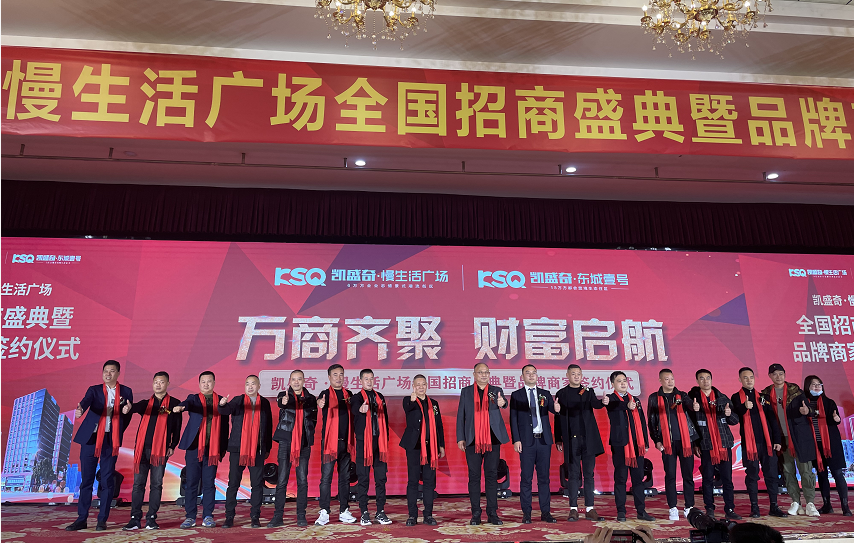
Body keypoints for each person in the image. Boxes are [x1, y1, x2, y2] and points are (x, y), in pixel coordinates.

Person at [65, 360, 134, 532]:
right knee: (86, 481)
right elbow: (85, 403)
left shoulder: (126, 391)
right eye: (105, 371)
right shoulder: (94, 390)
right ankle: (81, 519)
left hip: (110, 440)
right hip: (91, 438)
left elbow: (127, 415)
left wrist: (126, 412)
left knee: (107, 480)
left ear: (118, 373)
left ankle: (102, 519)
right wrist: (80, 410)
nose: (108, 374)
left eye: (112, 371)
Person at [123, 371, 182, 531]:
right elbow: (135, 407)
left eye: (161, 382)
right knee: (138, 485)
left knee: (156, 484)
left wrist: (172, 446)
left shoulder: (174, 404)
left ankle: (151, 518)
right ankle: (135, 518)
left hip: (160, 451)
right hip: (141, 450)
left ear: (167, 384)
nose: (158, 384)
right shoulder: (146, 404)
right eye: (156, 382)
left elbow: (177, 428)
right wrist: (129, 407)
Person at [172, 371, 231, 529]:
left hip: (212, 449)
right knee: (191, 483)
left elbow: (225, 425)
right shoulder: (194, 398)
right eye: (203, 381)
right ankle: (190, 517)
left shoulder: (221, 401)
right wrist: (181, 407)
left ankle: (208, 516)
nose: (206, 384)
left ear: (214, 383)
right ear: (199, 384)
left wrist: (223, 448)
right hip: (194, 448)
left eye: (209, 381)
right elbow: (187, 403)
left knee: (209, 483)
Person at [761, 363, 819, 517]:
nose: (778, 377)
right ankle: (795, 502)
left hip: (799, 437)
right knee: (787, 471)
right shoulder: (766, 395)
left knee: (806, 471)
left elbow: (810, 410)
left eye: (781, 373)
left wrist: (806, 410)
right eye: (775, 374)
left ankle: (810, 502)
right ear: (770, 376)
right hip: (781, 439)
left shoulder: (796, 391)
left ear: (785, 374)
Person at [456, 362, 509, 525]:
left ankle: (492, 513)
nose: (484, 375)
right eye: (480, 372)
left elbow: (503, 403)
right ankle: (476, 513)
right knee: (474, 476)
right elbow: (461, 415)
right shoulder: (466, 392)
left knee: (491, 475)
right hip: (472, 439)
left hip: (492, 439)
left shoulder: (496, 390)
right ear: (474, 374)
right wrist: (460, 437)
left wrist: (503, 403)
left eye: (486, 372)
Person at [731, 367, 787, 518]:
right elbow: (734, 418)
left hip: (767, 443)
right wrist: (744, 407)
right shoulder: (736, 397)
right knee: (752, 475)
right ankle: (754, 507)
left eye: (751, 377)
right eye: (745, 378)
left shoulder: (763, 397)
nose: (749, 380)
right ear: (740, 380)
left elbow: (773, 420)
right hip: (750, 445)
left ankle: (774, 506)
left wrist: (777, 440)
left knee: (772, 475)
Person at [554, 364, 607, 521]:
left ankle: (590, 508)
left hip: (588, 439)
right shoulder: (562, 394)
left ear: (582, 375)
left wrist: (603, 402)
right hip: (571, 440)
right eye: (573, 374)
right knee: (573, 474)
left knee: (589, 474)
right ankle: (573, 509)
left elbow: (596, 404)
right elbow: (558, 417)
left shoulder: (588, 391)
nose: (576, 376)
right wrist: (558, 438)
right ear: (567, 375)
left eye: (578, 374)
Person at [687, 368, 741, 520]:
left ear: (711, 380)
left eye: (708, 378)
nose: (705, 381)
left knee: (727, 479)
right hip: (706, 444)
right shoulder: (693, 400)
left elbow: (735, 420)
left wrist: (729, 415)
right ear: (697, 381)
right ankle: (709, 508)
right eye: (702, 378)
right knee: (707, 479)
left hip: (724, 444)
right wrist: (695, 443)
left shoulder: (722, 398)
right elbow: (690, 424)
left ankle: (729, 508)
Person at [647, 368, 699, 521]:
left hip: (686, 442)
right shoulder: (654, 398)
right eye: (666, 379)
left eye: (672, 378)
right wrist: (657, 440)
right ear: (660, 381)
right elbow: (651, 421)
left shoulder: (682, 395)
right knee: (670, 475)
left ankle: (689, 507)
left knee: (688, 476)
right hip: (667, 443)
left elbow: (691, 406)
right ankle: (673, 508)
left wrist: (694, 406)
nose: (670, 381)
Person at [510, 364, 558, 524]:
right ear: (522, 376)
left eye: (534, 373)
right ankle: (527, 513)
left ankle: (546, 512)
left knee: (544, 479)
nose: (531, 375)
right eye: (528, 373)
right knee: (526, 478)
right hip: (526, 442)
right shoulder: (516, 395)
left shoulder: (545, 394)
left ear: (537, 375)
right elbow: (513, 419)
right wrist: (516, 439)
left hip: (544, 441)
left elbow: (553, 410)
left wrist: (557, 408)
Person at [222, 375, 273, 528]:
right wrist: (222, 404)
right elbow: (225, 411)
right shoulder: (238, 400)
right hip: (238, 449)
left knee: (257, 485)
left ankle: (255, 516)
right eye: (247, 384)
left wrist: (267, 448)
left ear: (259, 386)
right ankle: (229, 516)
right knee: (233, 484)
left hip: (257, 449)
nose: (250, 387)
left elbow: (268, 426)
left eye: (253, 384)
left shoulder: (264, 403)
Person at [270, 369, 318, 527]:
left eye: (299, 379)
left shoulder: (310, 399)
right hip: (286, 442)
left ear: (304, 381)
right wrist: (283, 401)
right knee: (282, 480)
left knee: (302, 480)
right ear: (290, 381)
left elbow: (314, 419)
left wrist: (307, 434)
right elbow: (281, 403)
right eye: (294, 379)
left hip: (303, 443)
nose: (296, 382)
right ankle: (278, 516)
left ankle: (301, 515)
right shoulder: (284, 396)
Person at [605, 370, 653, 522]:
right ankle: (621, 511)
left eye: (624, 380)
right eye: (619, 381)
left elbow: (643, 422)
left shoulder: (635, 400)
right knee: (620, 479)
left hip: (637, 446)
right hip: (620, 445)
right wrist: (626, 405)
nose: (623, 383)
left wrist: (645, 442)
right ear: (612, 384)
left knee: (638, 479)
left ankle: (641, 511)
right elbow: (614, 406)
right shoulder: (610, 399)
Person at [400, 374, 445, 526]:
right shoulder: (408, 400)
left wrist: (441, 445)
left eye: (423, 384)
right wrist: (413, 400)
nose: (421, 387)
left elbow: (439, 425)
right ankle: (412, 515)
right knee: (413, 480)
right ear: (413, 386)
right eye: (418, 384)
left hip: (431, 446)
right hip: (414, 446)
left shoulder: (434, 404)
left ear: (427, 386)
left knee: (429, 482)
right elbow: (407, 409)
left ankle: (428, 515)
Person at [803, 375, 851, 516]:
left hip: (831, 445)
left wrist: (836, 419)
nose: (817, 387)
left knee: (837, 474)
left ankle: (845, 507)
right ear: (807, 387)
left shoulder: (829, 402)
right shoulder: (804, 403)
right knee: (822, 474)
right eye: (814, 384)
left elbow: (834, 419)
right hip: (815, 445)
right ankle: (827, 505)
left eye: (819, 384)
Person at [315, 364, 357, 525]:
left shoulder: (349, 395)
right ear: (329, 377)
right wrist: (320, 403)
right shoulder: (325, 394)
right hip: (329, 444)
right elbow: (320, 402)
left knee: (345, 478)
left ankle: (344, 510)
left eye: (341, 374)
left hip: (346, 443)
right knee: (326, 478)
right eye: (335, 375)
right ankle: (324, 511)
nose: (338, 378)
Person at [350, 369, 392, 526]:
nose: (369, 381)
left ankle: (380, 511)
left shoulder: (379, 397)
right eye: (366, 379)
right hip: (364, 444)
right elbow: (354, 409)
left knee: (381, 478)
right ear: (360, 381)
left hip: (379, 444)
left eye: (371, 378)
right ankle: (364, 512)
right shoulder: (356, 398)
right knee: (363, 478)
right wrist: (360, 409)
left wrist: (385, 440)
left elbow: (385, 419)